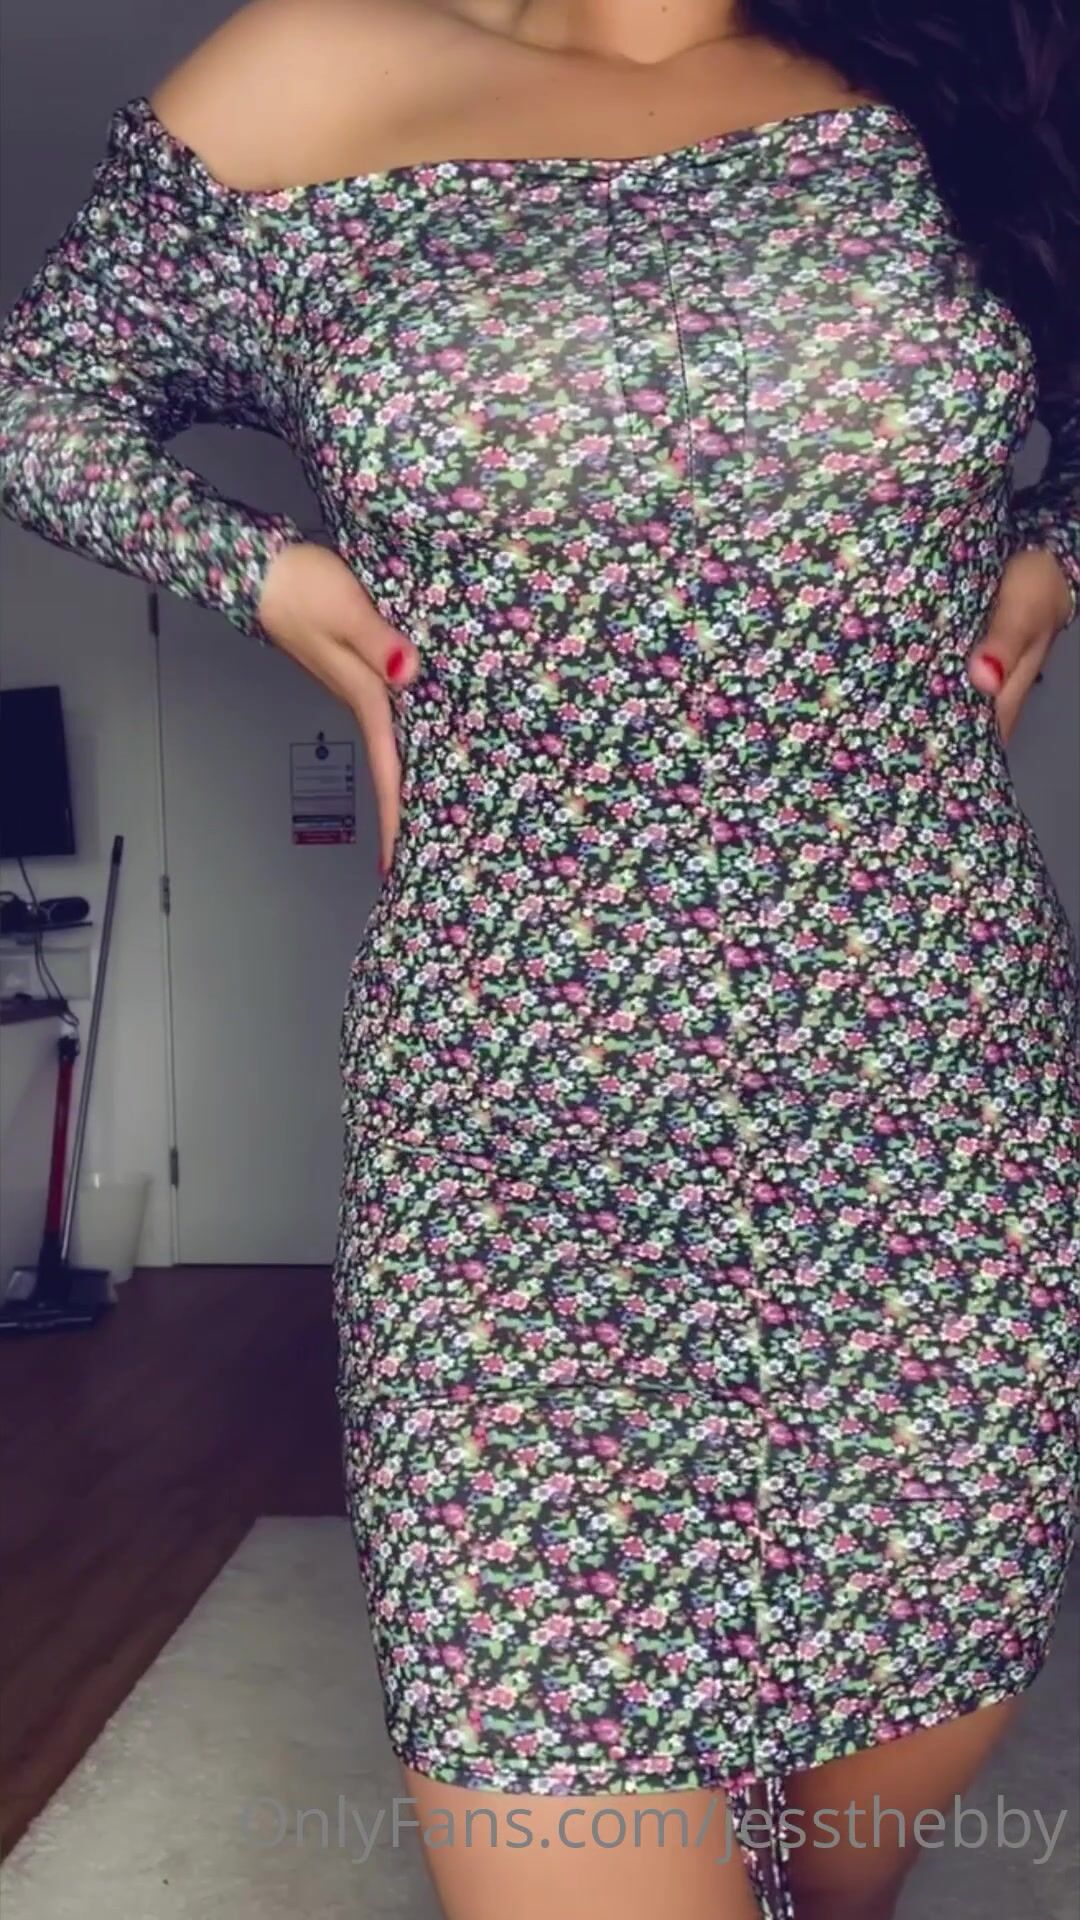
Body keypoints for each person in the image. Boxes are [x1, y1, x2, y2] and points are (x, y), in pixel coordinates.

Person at [1, 3, 1077, 1916]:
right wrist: (268, 575)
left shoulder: (982, 59)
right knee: (548, 1788)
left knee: (855, 1833)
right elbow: (34, 399)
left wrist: (1059, 550)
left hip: (920, 1097)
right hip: (511, 1120)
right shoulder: (304, 70)